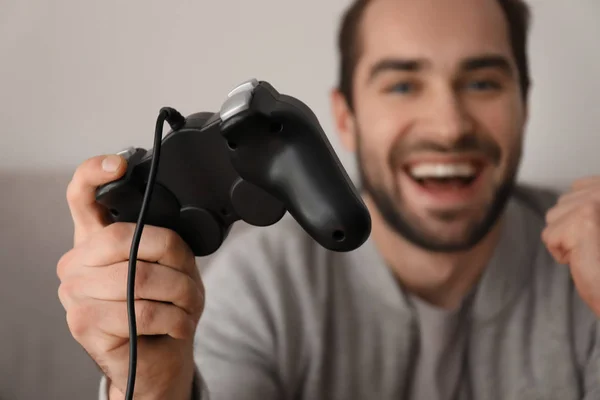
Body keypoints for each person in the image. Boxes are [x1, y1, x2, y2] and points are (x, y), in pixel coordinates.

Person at [57, 0, 600, 398]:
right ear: (345, 117)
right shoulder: (261, 289)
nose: (449, 127)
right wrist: (154, 383)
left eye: (482, 83)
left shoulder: (590, 272)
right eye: (403, 85)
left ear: (524, 105)